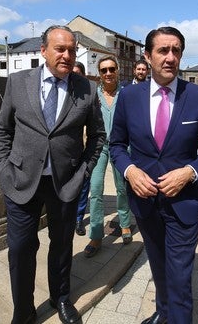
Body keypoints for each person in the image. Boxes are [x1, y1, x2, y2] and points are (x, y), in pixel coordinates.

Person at [110, 26, 198, 324]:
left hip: (183, 206)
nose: (170, 57)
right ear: (147, 57)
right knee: (160, 268)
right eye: (163, 50)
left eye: (176, 50)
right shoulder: (129, 97)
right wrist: (130, 170)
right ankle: (163, 314)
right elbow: (117, 146)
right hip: (146, 205)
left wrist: (189, 172)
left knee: (179, 277)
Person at [0, 25, 106, 324]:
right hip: (20, 181)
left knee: (61, 244)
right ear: (43, 50)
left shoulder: (87, 89)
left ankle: (60, 297)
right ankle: (23, 310)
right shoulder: (18, 83)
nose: (67, 55)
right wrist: (4, 169)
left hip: (65, 182)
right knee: (20, 249)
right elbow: (3, 130)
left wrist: (83, 171)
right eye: (60, 49)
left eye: (72, 49)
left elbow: (97, 137)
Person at [84, 56, 133, 257]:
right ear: (99, 74)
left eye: (111, 69)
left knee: (122, 188)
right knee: (95, 190)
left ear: (117, 70)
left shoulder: (128, 95)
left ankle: (125, 223)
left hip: (121, 148)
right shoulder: (93, 96)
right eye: (104, 70)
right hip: (99, 147)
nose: (108, 73)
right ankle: (96, 234)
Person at [73, 62, 90, 236]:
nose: (74, 75)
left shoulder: (89, 95)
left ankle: (78, 219)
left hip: (84, 152)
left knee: (84, 188)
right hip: (64, 155)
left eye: (78, 73)